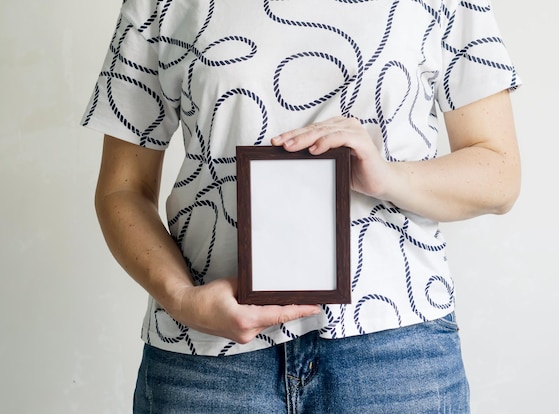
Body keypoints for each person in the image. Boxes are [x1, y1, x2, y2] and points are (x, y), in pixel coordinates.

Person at [82, 0, 521, 412]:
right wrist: (181, 299)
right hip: (206, 354)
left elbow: (498, 175)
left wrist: (385, 176)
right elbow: (123, 189)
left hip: (396, 351)